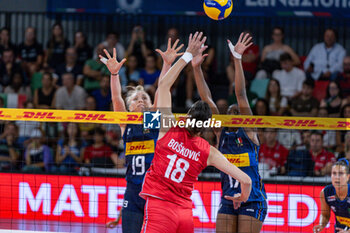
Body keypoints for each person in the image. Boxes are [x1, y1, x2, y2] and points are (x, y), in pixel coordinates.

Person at [139, 31, 252, 233]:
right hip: (184, 214)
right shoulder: (208, 150)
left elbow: (163, 86)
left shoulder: (169, 127)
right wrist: (242, 197)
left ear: (189, 114)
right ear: (207, 125)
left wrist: (187, 55)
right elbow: (246, 180)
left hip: (159, 206)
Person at [102, 38, 184, 233]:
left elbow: (163, 89)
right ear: (130, 106)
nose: (140, 101)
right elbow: (115, 98)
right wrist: (114, 74)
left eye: (144, 98)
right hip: (132, 192)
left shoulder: (152, 119)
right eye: (136, 99)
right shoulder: (126, 123)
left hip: (154, 192)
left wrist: (167, 64)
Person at [192, 32, 266, 233]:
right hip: (227, 198)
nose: (233, 113)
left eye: (236, 111)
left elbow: (240, 95)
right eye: (230, 112)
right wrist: (197, 67)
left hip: (252, 199)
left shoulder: (249, 132)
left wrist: (238, 60)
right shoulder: (220, 130)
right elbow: (206, 98)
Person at [313, 159, 350, 233]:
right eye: (334, 173)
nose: (337, 177)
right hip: (339, 230)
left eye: (340, 174)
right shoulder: (326, 192)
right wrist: (321, 224)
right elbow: (325, 215)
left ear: (348, 177)